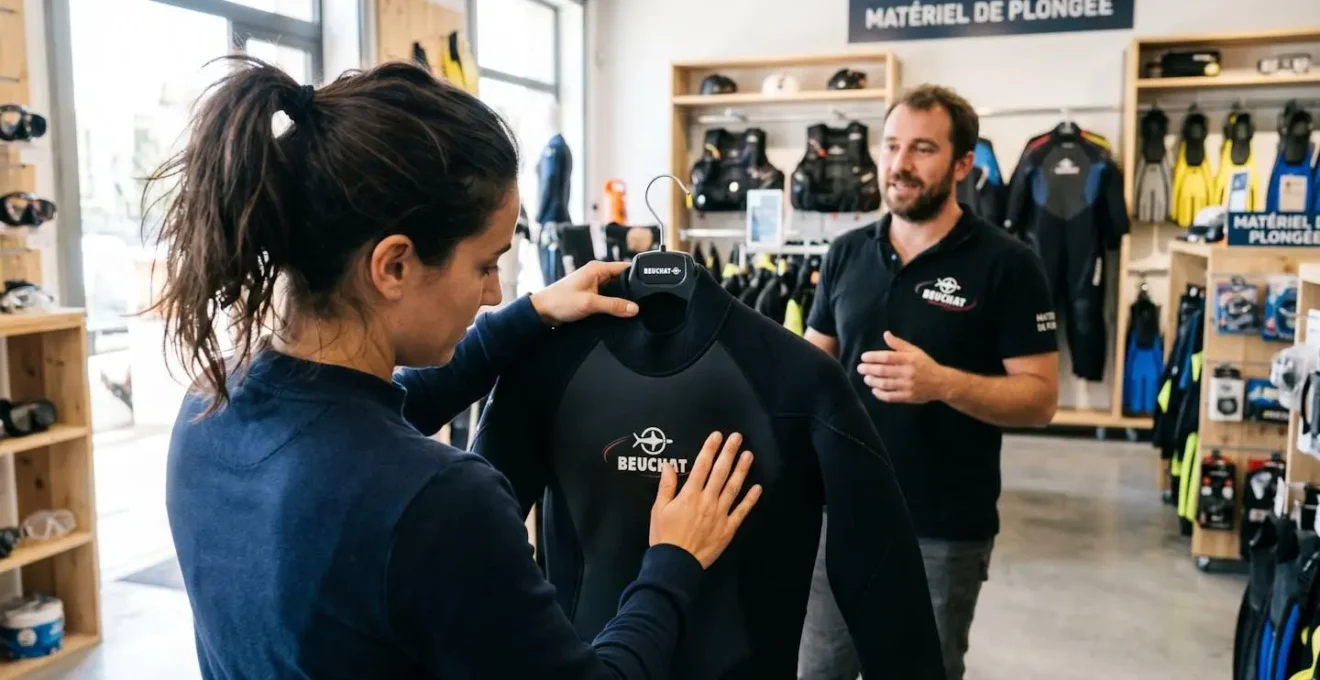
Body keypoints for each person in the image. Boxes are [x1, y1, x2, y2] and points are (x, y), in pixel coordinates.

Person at [155, 57, 763, 679]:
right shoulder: (441, 502)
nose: (495, 293)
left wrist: (532, 315)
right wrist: (672, 561)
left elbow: (366, 428)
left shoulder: (209, 405)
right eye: (485, 264)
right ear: (393, 266)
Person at [796, 84, 1061, 680]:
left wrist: (942, 383)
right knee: (818, 671)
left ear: (964, 164)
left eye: (922, 149)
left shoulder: (1009, 264)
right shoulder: (845, 253)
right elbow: (812, 368)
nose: (900, 164)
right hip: (839, 513)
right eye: (891, 146)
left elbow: (1040, 398)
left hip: (943, 529)